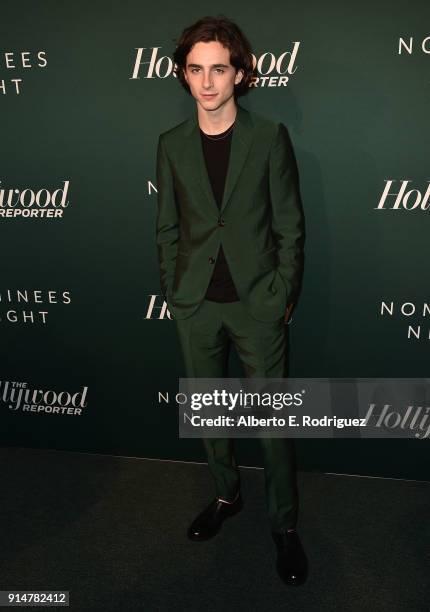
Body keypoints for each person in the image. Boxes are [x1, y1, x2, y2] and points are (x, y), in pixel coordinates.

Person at [155, 15, 307, 586]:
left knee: (273, 423)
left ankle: (285, 526)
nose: (208, 82)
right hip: (196, 304)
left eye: (219, 68)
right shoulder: (170, 145)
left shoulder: (269, 139)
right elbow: (167, 227)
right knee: (211, 416)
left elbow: (290, 226)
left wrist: (283, 291)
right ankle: (225, 496)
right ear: (184, 76)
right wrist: (175, 291)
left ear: (239, 73)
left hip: (257, 305)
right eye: (196, 70)